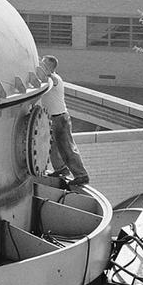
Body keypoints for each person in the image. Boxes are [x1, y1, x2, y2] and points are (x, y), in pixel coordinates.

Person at [40, 55, 90, 187]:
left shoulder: (55, 79)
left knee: (66, 147)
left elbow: (52, 80)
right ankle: (61, 169)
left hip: (59, 118)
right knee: (53, 147)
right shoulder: (46, 79)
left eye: (44, 64)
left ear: (50, 67)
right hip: (53, 118)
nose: (41, 66)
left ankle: (81, 175)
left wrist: (46, 73)